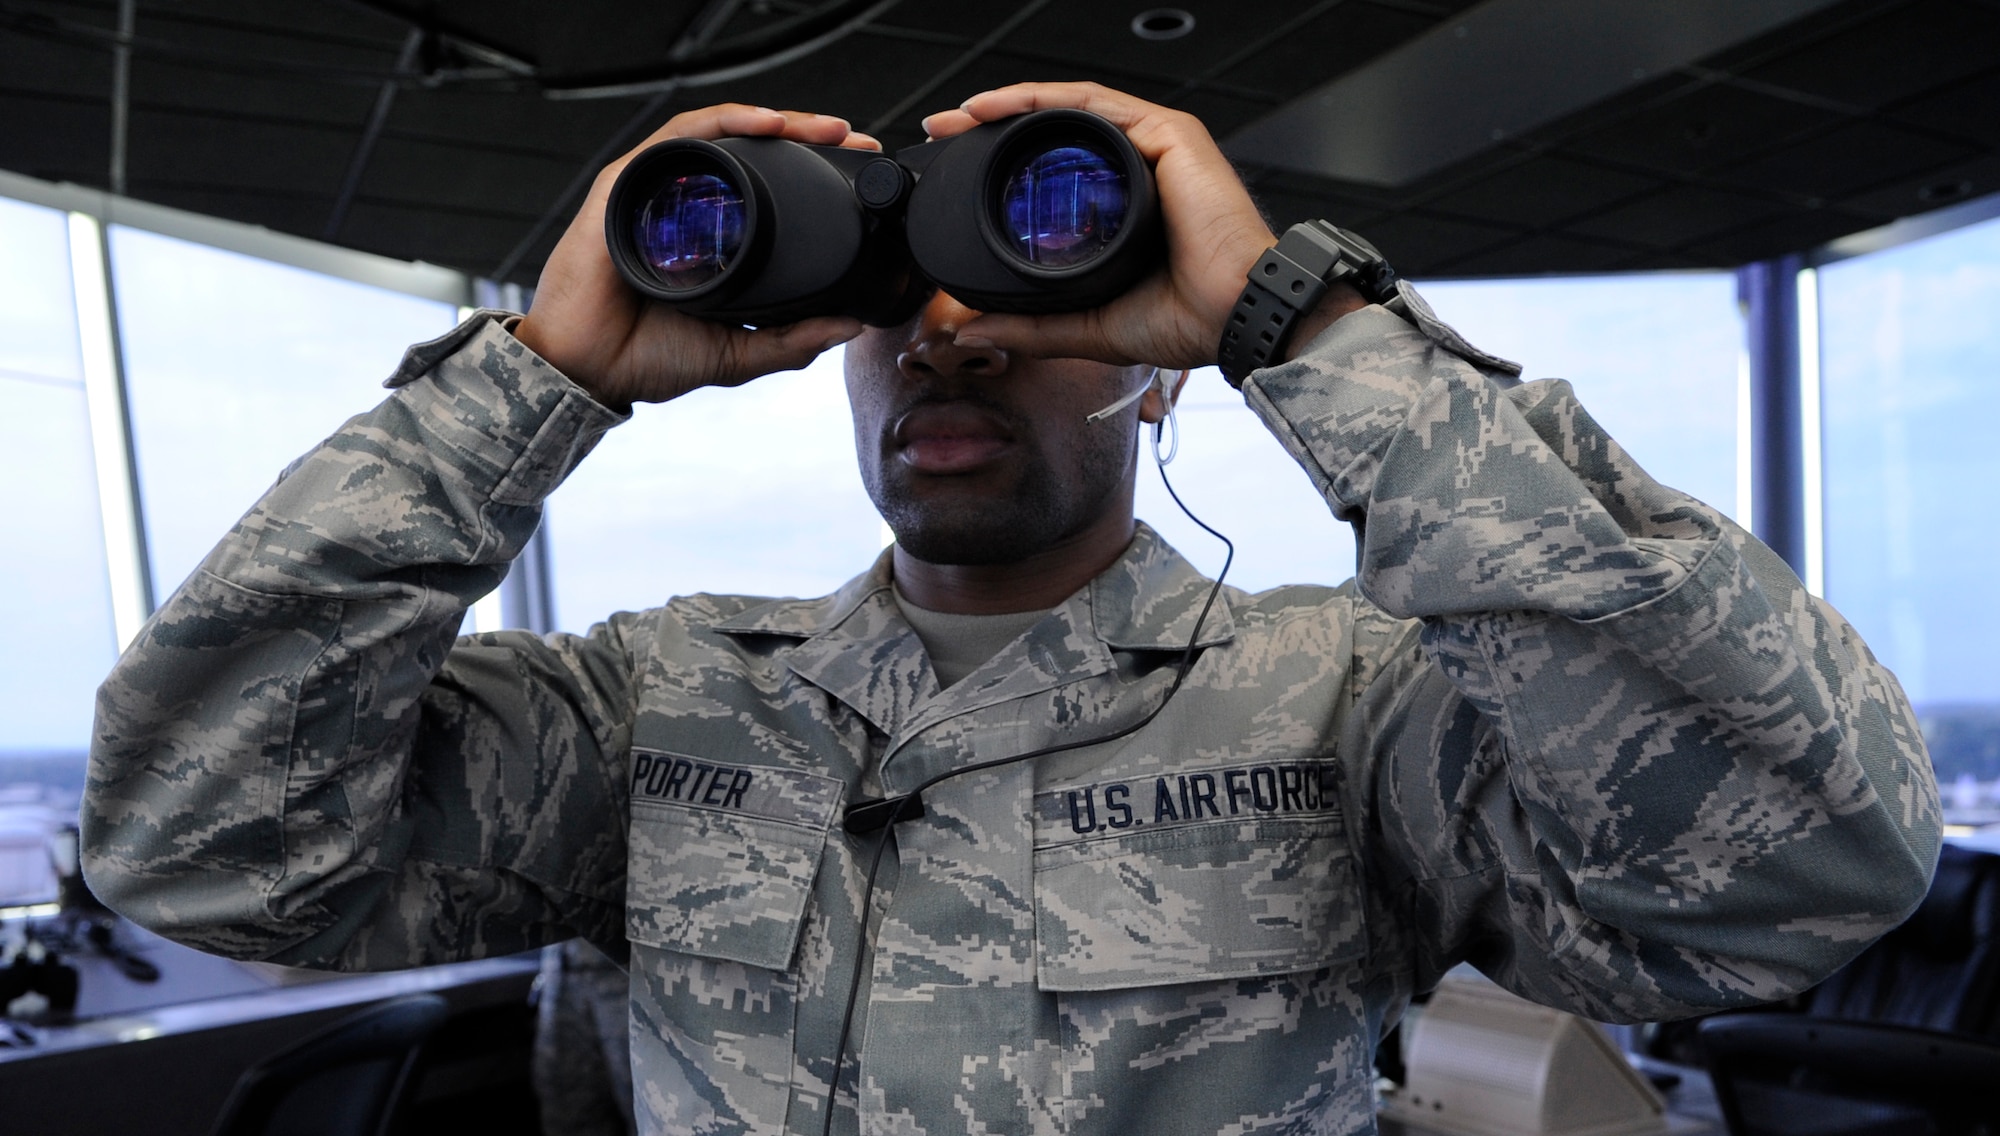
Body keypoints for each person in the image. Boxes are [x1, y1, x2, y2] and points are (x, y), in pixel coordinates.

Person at [83, 82, 1939, 1135]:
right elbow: (202, 851)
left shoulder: (1346, 703)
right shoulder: (661, 706)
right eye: (891, 298)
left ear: (1155, 369)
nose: (950, 339)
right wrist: (534, 376)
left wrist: (1320, 336)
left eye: (1032, 290)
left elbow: (1800, 866)